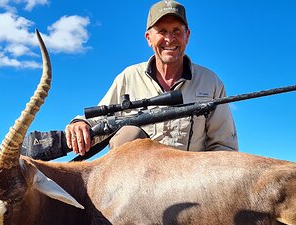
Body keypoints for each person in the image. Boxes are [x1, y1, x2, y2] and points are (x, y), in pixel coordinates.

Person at [66, 0, 238, 156]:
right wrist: (81, 124)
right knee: (128, 135)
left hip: (190, 183)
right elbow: (98, 121)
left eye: (177, 31)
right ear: (149, 38)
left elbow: (224, 146)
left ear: (187, 36)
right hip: (137, 184)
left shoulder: (211, 82)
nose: (169, 39)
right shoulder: (129, 77)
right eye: (162, 31)